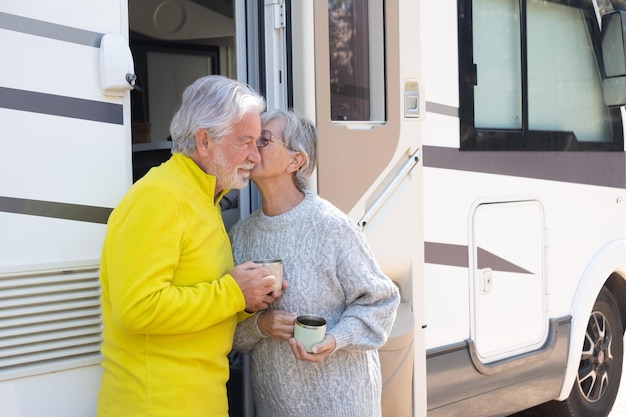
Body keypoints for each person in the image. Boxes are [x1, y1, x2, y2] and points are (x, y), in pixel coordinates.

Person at [97, 75, 282, 417]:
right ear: (204, 141)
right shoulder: (159, 197)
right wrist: (234, 293)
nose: (255, 156)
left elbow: (199, 300)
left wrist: (250, 298)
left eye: (258, 143)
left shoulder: (204, 198)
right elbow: (137, 309)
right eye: (245, 141)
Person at [229, 108, 401, 417]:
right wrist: (260, 326)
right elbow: (230, 334)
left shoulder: (331, 226)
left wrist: (334, 340)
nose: (252, 149)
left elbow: (381, 303)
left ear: (296, 160)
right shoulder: (241, 236)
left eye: (264, 140)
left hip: (343, 405)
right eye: (251, 139)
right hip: (276, 406)